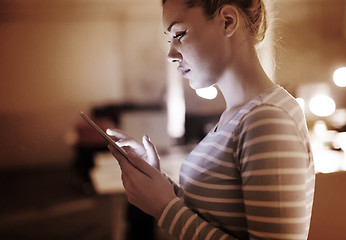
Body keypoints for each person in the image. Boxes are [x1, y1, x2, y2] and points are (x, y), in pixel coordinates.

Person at [106, 0, 315, 239]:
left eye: (180, 34)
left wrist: (164, 207)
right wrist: (157, 182)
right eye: (169, 39)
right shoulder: (238, 115)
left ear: (228, 21)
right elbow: (213, 215)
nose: (171, 55)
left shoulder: (267, 118)